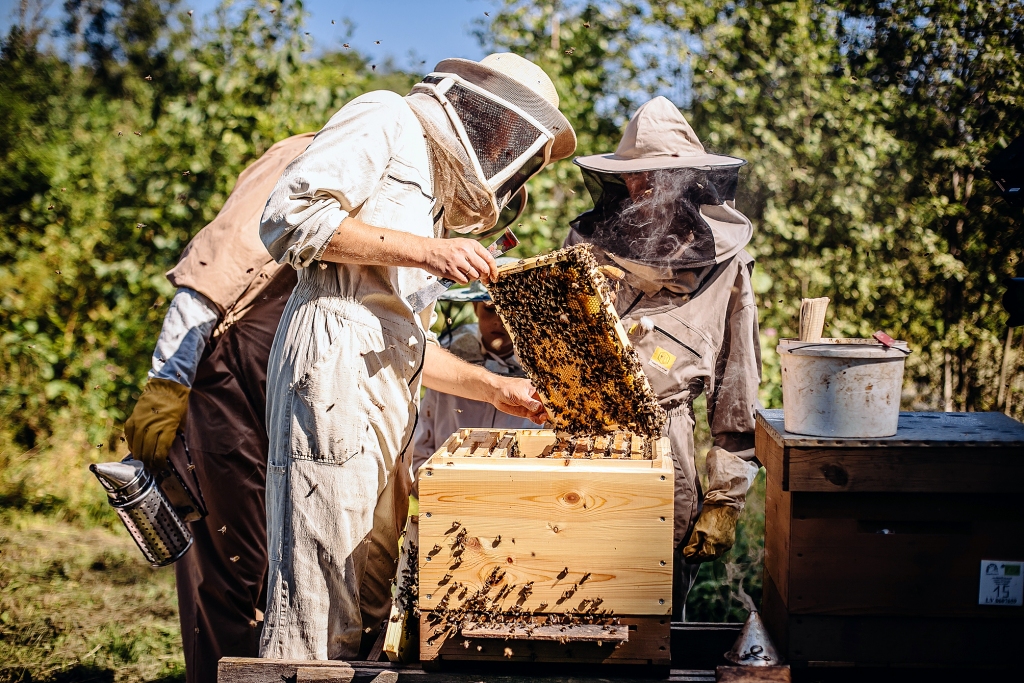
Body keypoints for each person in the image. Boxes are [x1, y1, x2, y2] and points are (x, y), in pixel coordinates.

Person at [258, 53, 576, 659]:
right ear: (487, 111)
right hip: (332, 358)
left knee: (372, 580)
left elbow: (406, 341)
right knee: (321, 582)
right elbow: (287, 218)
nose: (507, 154)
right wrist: (427, 252)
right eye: (509, 137)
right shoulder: (386, 116)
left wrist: (496, 389)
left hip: (383, 380)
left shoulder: (433, 196)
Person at [122, 132, 315, 683]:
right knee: (230, 568)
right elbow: (219, 265)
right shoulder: (306, 156)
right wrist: (167, 381)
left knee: (290, 566)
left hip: (295, 390)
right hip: (231, 382)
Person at [567, 96, 762, 618]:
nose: (642, 186)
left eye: (655, 174)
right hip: (583, 441)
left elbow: (737, 389)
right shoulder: (587, 244)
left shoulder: (727, 266)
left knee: (654, 618)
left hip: (665, 445)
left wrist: (725, 496)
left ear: (689, 179)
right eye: (633, 175)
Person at [413, 269, 536, 475]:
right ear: (475, 307)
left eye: (508, 310)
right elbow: (422, 447)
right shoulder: (446, 359)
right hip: (450, 484)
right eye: (490, 309)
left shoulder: (543, 367)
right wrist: (427, 481)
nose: (499, 320)